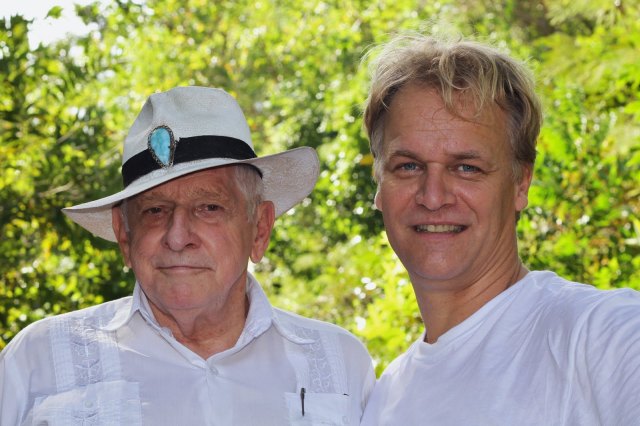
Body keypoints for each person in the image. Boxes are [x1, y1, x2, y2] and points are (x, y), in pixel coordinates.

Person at [0, 86, 375, 425]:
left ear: (260, 229)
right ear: (124, 234)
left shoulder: (341, 367)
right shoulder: (37, 362)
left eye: (209, 207)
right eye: (155, 210)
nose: (178, 238)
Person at [359, 34, 640, 425]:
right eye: (408, 166)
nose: (433, 196)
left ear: (520, 184)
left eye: (467, 168)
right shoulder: (384, 399)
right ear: (379, 184)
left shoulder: (602, 335)